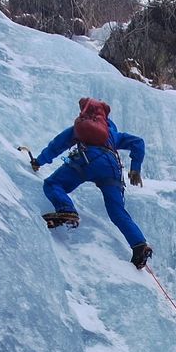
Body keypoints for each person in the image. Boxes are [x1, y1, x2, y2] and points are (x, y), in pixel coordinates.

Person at [31, 98, 153, 270]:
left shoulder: (80, 128)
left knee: (53, 184)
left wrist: (39, 161)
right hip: (112, 167)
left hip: (87, 160)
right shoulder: (112, 134)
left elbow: (57, 145)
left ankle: (66, 210)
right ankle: (140, 245)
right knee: (117, 211)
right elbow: (138, 142)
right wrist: (135, 169)